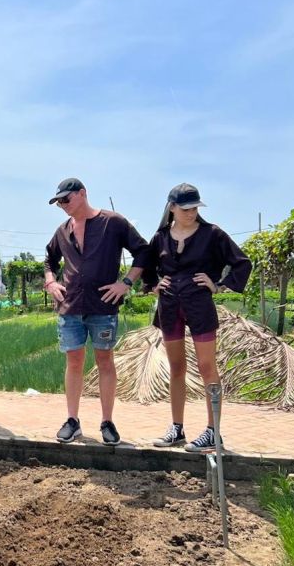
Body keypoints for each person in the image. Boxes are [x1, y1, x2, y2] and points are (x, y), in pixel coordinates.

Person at [144, 183, 251, 452]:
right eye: (186, 208)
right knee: (176, 367)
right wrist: (154, 284)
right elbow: (144, 265)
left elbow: (242, 262)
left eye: (195, 208)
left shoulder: (212, 234)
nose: (191, 212)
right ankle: (176, 429)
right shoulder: (160, 237)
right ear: (172, 208)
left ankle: (213, 431)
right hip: (169, 306)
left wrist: (218, 285)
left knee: (206, 367)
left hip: (199, 304)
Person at [44, 177, 150, 445]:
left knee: (105, 360)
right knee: (74, 362)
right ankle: (72, 420)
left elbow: (143, 252)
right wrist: (50, 281)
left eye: (66, 200)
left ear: (82, 194)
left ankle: (107, 422)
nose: (63, 206)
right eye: (59, 203)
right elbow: (49, 259)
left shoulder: (112, 223)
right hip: (70, 307)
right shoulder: (62, 230)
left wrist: (125, 283)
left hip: (102, 305)